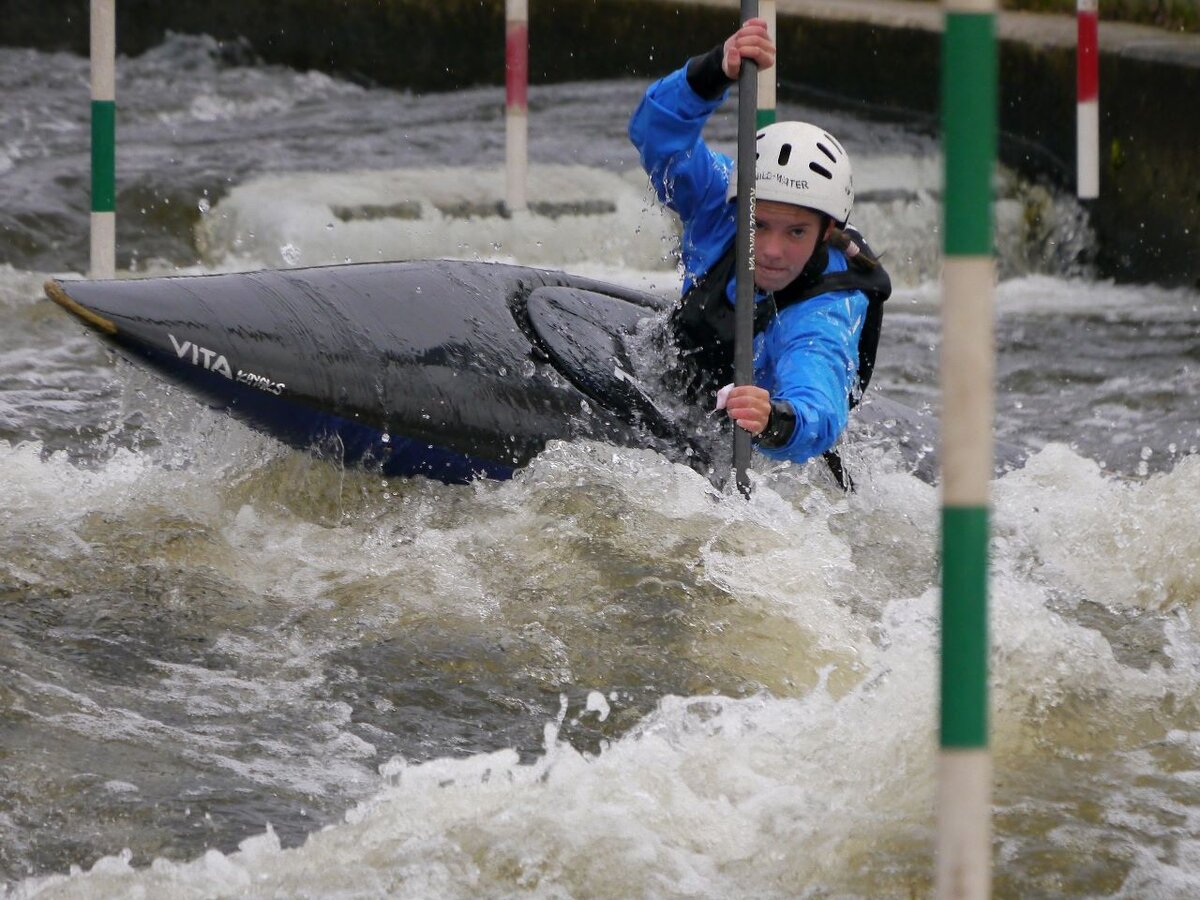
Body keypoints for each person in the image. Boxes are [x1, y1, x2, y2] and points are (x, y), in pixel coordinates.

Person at [629, 18, 890, 480]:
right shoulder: (720, 200)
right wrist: (713, 71)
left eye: (795, 233)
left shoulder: (826, 303)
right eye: (759, 224)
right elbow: (657, 138)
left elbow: (819, 402)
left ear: (826, 229)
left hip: (764, 444)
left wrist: (773, 418)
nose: (769, 250)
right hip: (681, 382)